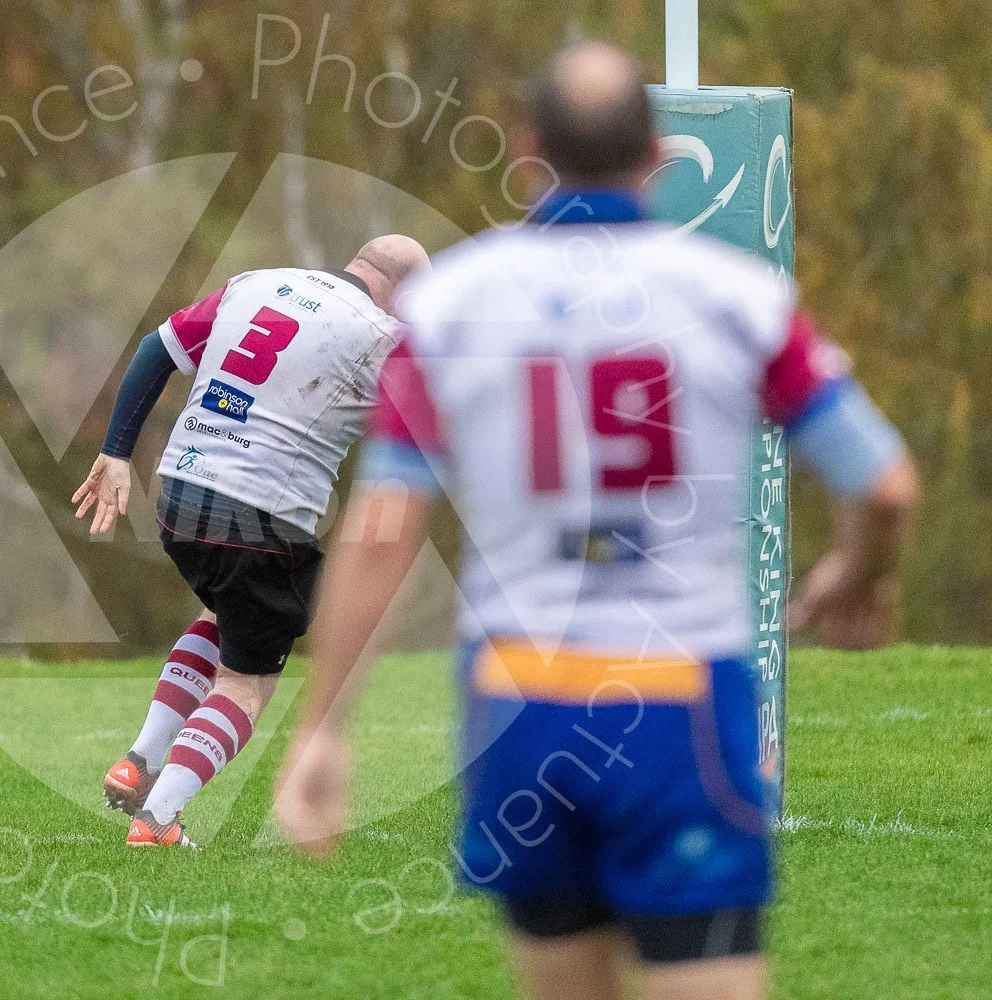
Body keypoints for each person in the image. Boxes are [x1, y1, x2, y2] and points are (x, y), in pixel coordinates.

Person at [273, 42, 917, 1000]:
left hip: (520, 702)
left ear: (530, 151)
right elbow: (886, 485)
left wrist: (324, 725)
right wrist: (856, 576)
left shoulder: (448, 303)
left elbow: (381, 527)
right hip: (681, 700)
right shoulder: (737, 296)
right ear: (658, 154)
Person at [73, 236, 432, 847]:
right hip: (262, 518)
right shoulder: (382, 335)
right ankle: (158, 819)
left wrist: (115, 452)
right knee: (249, 681)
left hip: (181, 493)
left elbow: (154, 349)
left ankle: (139, 760)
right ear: (399, 290)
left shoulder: (255, 282)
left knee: (225, 614)